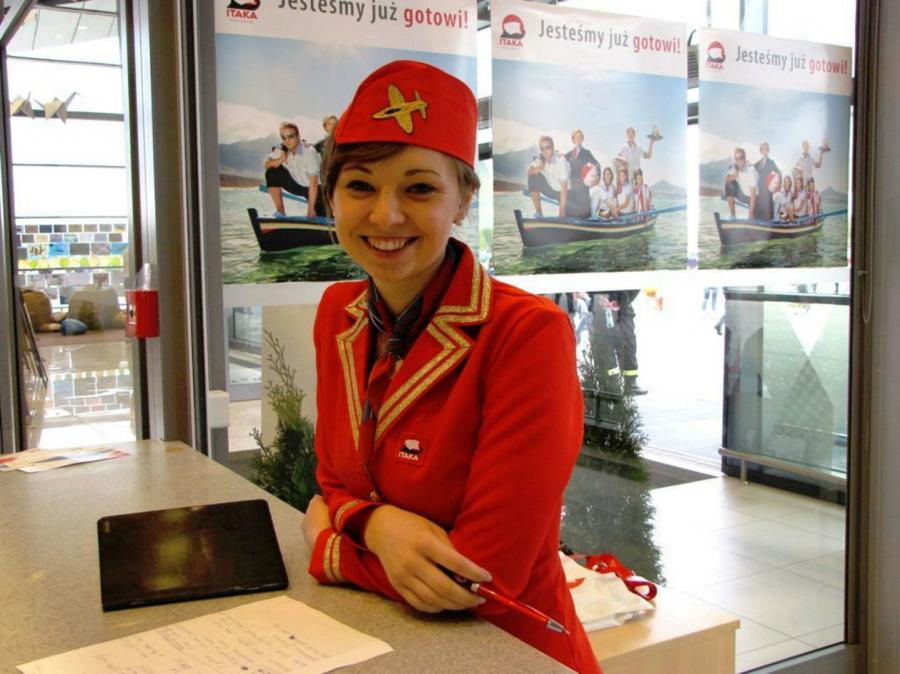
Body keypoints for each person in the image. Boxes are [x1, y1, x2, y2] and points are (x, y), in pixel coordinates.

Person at [299, 60, 600, 674]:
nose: (386, 216)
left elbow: (479, 580)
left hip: (509, 652)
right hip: (382, 642)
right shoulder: (338, 313)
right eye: (360, 186)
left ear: (463, 199)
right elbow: (333, 478)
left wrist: (329, 544)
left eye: (419, 189)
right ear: (331, 197)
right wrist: (377, 526)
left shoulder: (527, 333)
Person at [263, 121, 325, 217]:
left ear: (298, 136)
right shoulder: (281, 148)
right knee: (271, 172)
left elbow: (314, 182)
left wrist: (310, 209)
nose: (287, 141)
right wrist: (280, 159)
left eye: (291, 136)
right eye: (284, 137)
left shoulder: (309, 151)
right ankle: (280, 212)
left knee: (321, 215)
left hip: (317, 189)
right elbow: (266, 165)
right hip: (298, 186)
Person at [527, 135, 570, 217]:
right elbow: (529, 172)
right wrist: (540, 167)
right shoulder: (540, 158)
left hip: (567, 194)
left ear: (553, 148)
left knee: (573, 213)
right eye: (542, 149)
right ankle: (539, 213)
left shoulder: (560, 161)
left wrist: (562, 211)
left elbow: (564, 187)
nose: (544, 151)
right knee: (533, 178)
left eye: (547, 148)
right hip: (552, 191)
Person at [565, 129, 601, 219]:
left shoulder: (586, 153)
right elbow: (560, 160)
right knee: (570, 213)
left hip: (583, 188)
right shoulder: (569, 154)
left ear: (582, 139)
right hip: (572, 187)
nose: (578, 139)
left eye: (580, 137)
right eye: (576, 137)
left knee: (584, 214)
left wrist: (597, 178)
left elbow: (597, 164)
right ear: (573, 139)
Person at [723, 147, 758, 219]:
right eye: (736, 159)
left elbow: (753, 192)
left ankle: (754, 212)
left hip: (755, 198)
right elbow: (726, 179)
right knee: (729, 184)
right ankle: (733, 215)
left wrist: (750, 213)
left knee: (758, 215)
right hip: (744, 195)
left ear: (745, 158)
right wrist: (735, 174)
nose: (738, 161)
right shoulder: (735, 167)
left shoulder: (751, 170)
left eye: (740, 158)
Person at [754, 141, 780, 221]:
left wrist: (777, 186)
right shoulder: (757, 164)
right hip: (759, 193)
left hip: (767, 193)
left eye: (766, 149)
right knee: (757, 216)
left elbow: (779, 173)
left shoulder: (771, 163)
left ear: (768, 151)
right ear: (760, 151)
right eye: (763, 149)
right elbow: (752, 173)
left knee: (768, 216)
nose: (765, 151)